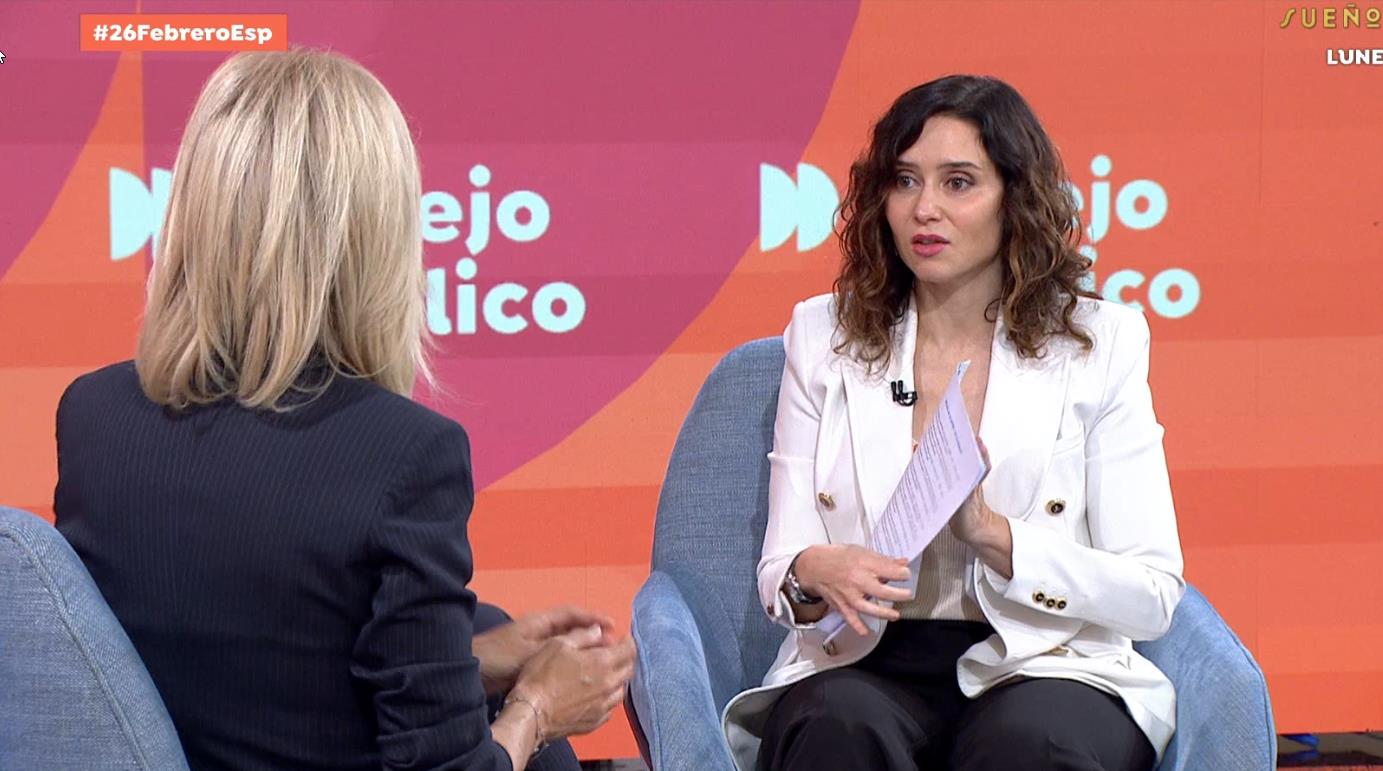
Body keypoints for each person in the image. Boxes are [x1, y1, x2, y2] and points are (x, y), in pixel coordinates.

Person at [53, 49, 634, 771]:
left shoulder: (93, 416)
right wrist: (540, 708)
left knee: (483, 626)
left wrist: (466, 659)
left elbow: (251, 648)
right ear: (377, 238)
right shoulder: (405, 456)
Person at [721, 75, 1185, 771]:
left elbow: (1151, 594)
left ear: (1014, 199)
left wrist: (993, 534)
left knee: (1031, 742)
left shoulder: (1098, 342)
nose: (924, 209)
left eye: (958, 182)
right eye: (904, 181)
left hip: (1045, 658)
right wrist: (812, 572)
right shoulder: (824, 336)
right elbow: (781, 570)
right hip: (866, 661)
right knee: (836, 724)